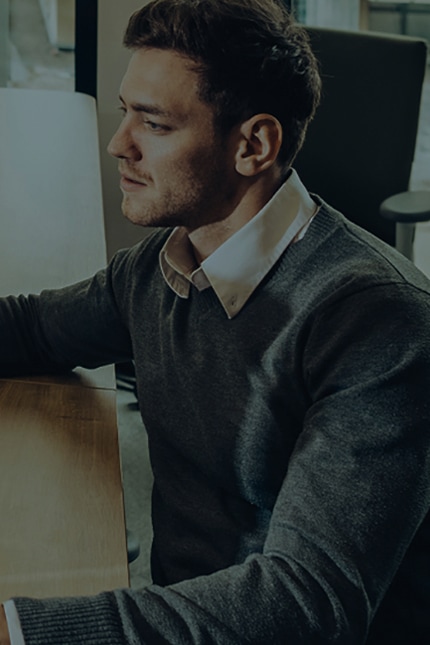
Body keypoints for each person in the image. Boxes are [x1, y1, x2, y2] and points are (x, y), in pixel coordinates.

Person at [1, 0, 430, 642]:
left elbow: (306, 602)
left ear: (253, 145)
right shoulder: (161, 265)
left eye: (155, 124)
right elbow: (33, 329)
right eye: (126, 113)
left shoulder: (381, 327)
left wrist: (17, 629)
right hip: (182, 610)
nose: (119, 145)